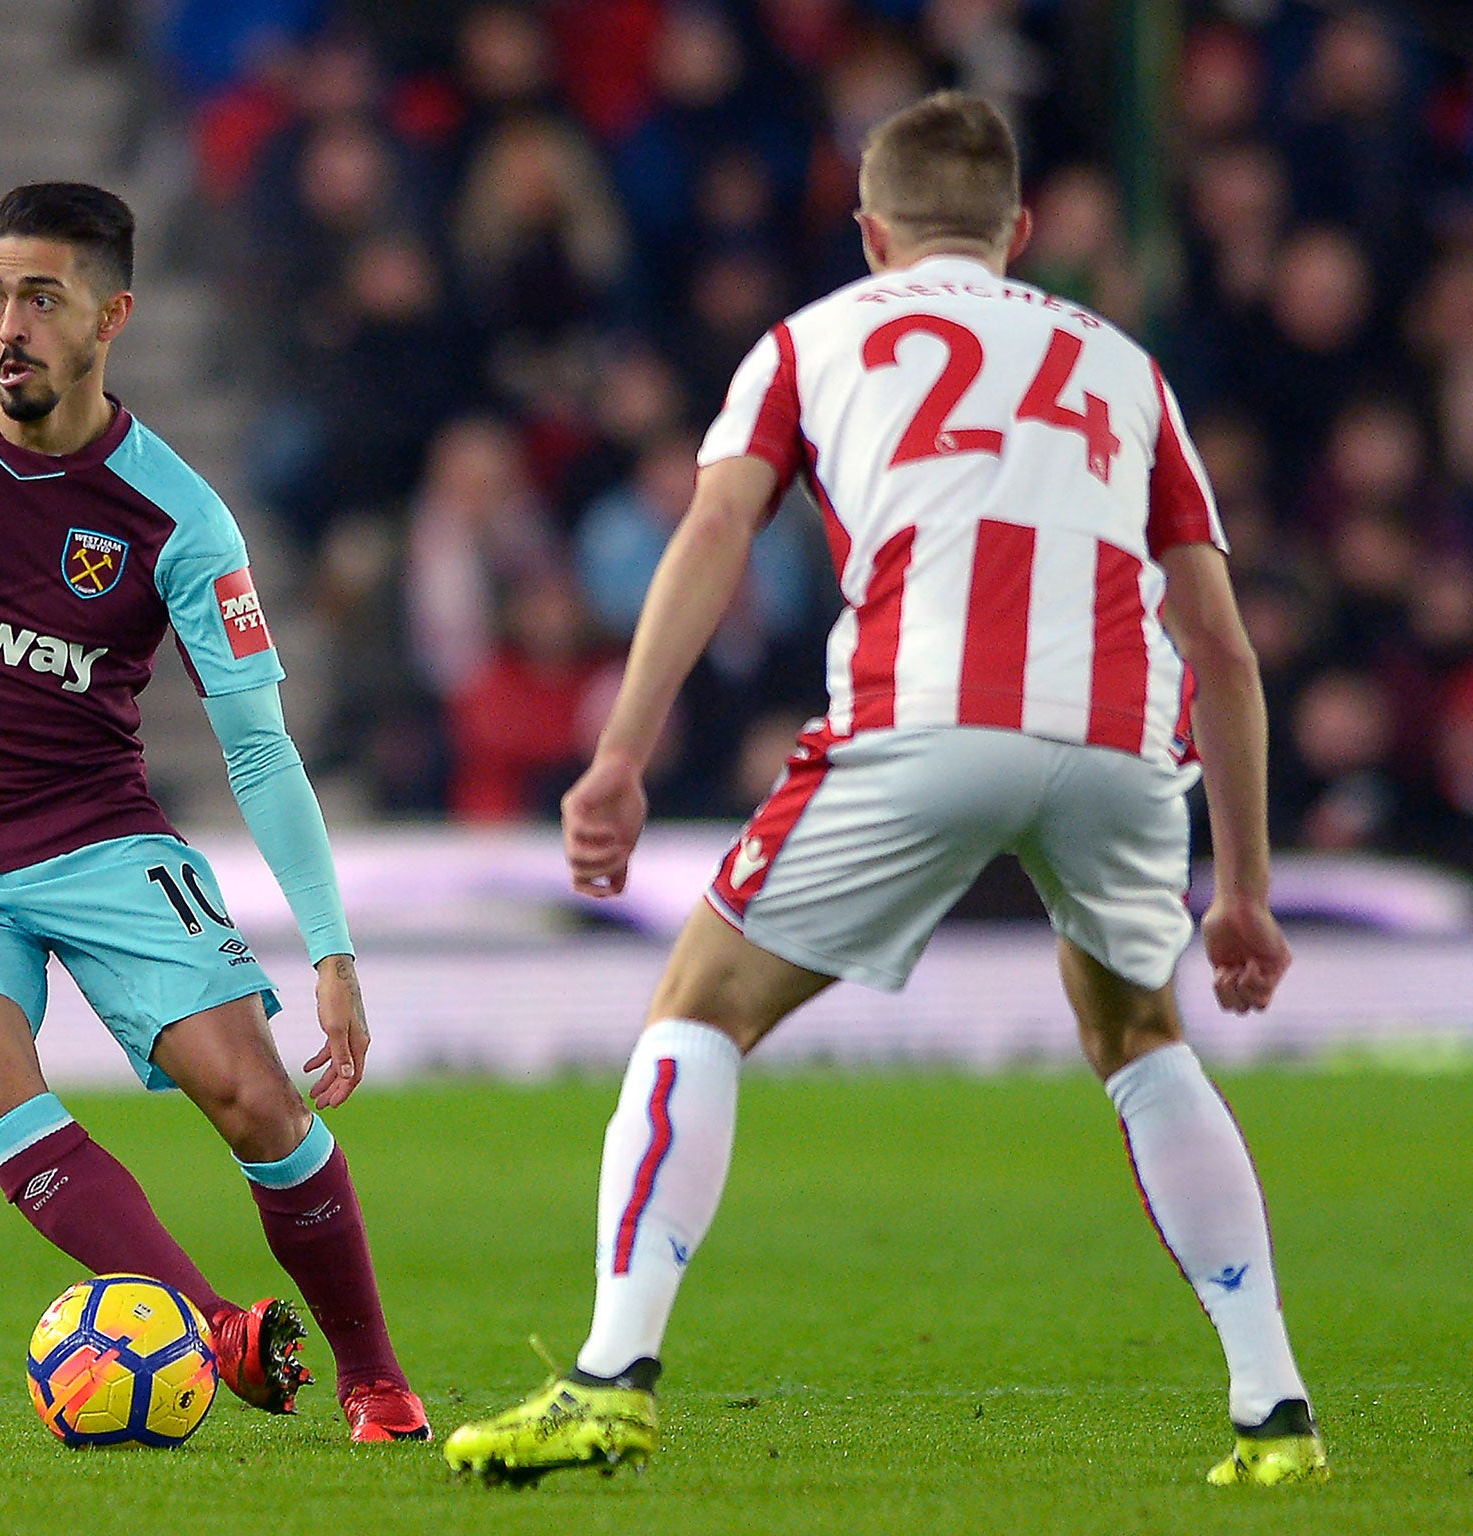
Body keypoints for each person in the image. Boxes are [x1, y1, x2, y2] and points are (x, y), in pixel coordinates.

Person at [444, 92, 1326, 1489]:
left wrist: (619, 753)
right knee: (1144, 1036)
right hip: (1117, 739)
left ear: (871, 233)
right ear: (1021, 234)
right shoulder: (1124, 364)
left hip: (923, 721)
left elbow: (717, 528)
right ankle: (1276, 1411)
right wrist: (1250, 890)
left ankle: (612, 1376)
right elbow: (1221, 641)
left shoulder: (810, 340)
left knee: (701, 1008)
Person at [0, 182, 428, 1443]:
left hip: (97, 838)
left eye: (41, 300)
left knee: (259, 1104)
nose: (10, 327)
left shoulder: (177, 518)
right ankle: (210, 1325)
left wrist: (329, 952)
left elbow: (261, 753)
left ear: (110, 316)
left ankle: (375, 1379)